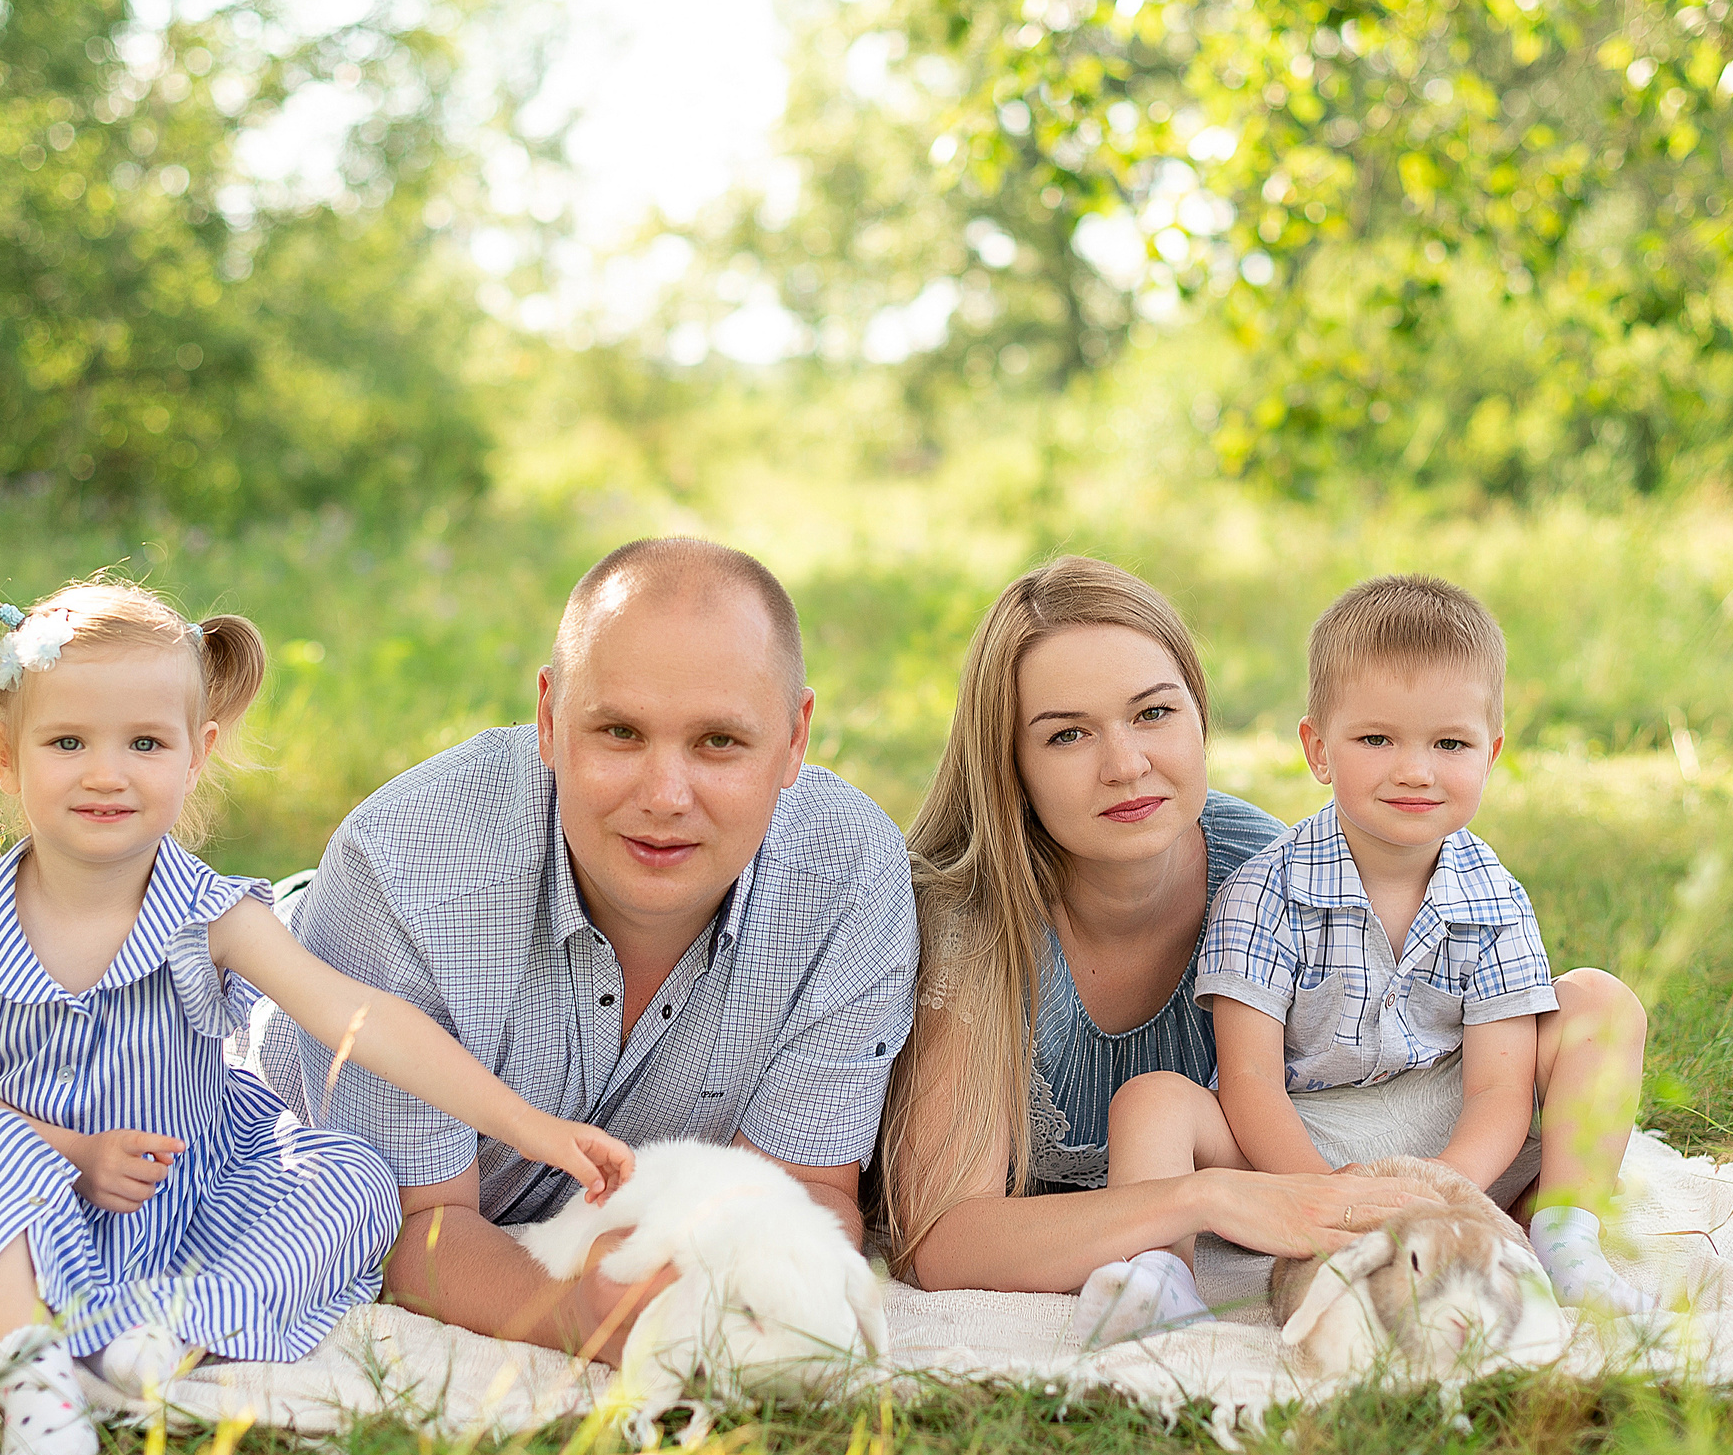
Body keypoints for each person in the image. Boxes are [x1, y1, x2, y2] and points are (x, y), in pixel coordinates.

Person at [0, 573, 633, 1455]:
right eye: (67, 741)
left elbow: (361, 1018)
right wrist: (74, 1152)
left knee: (352, 1179)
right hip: (24, 1192)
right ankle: (33, 1366)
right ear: (5, 755)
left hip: (184, 1191)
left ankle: (164, 1328)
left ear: (197, 754)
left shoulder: (212, 914)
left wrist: (531, 1127)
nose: (107, 772)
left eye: (145, 742)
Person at [252, 538, 918, 1353]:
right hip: (282, 1031)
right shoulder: (401, 869)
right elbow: (410, 1227)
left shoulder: (850, 876)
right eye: (621, 732)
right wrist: (583, 1317)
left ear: (795, 738)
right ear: (547, 717)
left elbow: (803, 1193)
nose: (666, 797)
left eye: (719, 742)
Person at [877, 557, 1449, 1339]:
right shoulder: (976, 924)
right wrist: (1201, 1200)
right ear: (1011, 767)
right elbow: (941, 1245)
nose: (1126, 765)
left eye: (1152, 714)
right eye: (1068, 735)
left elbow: (1369, 1092)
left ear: (1198, 715)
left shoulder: (1273, 876)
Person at [1097, 572, 1654, 1328]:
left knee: (1599, 1001)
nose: (1415, 769)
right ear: (1319, 749)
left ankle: (1565, 1233)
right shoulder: (1265, 893)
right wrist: (1329, 1197)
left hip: (1454, 1126)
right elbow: (1251, 1082)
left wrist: (1446, 1188)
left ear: (1490, 753)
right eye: (1377, 739)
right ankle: (1161, 1276)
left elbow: (1499, 1086)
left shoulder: (1492, 897)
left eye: (1449, 743)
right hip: (1303, 1134)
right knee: (1153, 1099)